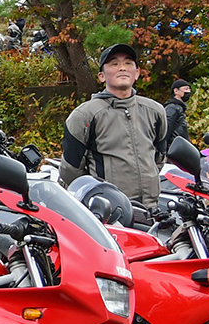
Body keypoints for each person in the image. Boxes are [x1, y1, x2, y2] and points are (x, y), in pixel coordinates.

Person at [61, 43, 168, 218]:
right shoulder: (85, 115)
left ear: (137, 73)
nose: (122, 68)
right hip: (109, 212)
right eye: (114, 64)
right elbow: (71, 170)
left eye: (128, 63)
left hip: (151, 209)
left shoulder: (155, 111)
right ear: (102, 76)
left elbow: (159, 156)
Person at [164, 78, 193, 144]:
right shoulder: (172, 108)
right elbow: (166, 130)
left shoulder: (180, 108)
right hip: (174, 149)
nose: (188, 92)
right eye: (186, 89)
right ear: (176, 91)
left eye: (189, 89)